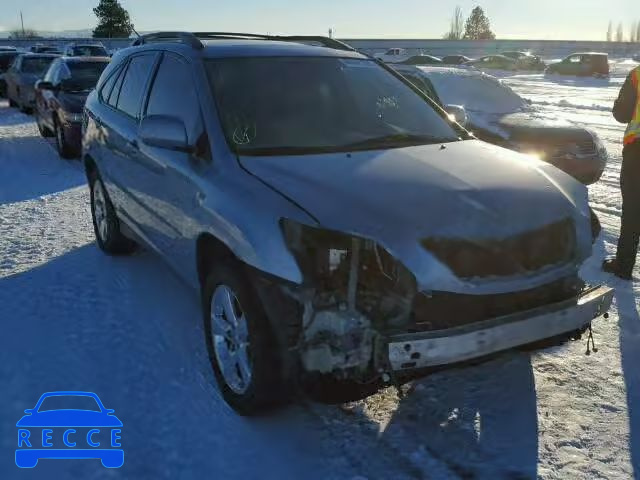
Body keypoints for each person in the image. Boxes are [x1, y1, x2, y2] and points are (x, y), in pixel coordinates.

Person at [603, 64, 640, 280]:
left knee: (634, 210)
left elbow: (622, 114)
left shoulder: (636, 75)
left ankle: (623, 266)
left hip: (638, 151)